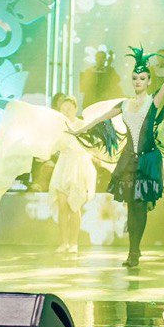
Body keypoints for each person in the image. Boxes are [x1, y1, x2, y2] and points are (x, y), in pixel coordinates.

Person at [76, 47, 164, 268]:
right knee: (131, 206)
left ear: (148, 81)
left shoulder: (153, 101)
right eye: (135, 78)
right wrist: (79, 130)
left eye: (142, 78)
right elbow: (100, 118)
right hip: (128, 160)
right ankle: (133, 250)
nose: (138, 81)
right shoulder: (124, 104)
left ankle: (134, 251)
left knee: (140, 206)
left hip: (148, 161)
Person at [49, 94, 97, 255]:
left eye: (69, 108)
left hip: (78, 166)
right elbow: (54, 145)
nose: (66, 111)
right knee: (62, 206)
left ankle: (74, 243)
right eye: (63, 108)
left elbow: (90, 145)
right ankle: (63, 242)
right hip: (63, 165)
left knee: (74, 206)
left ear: (76, 108)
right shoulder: (58, 126)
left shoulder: (82, 125)